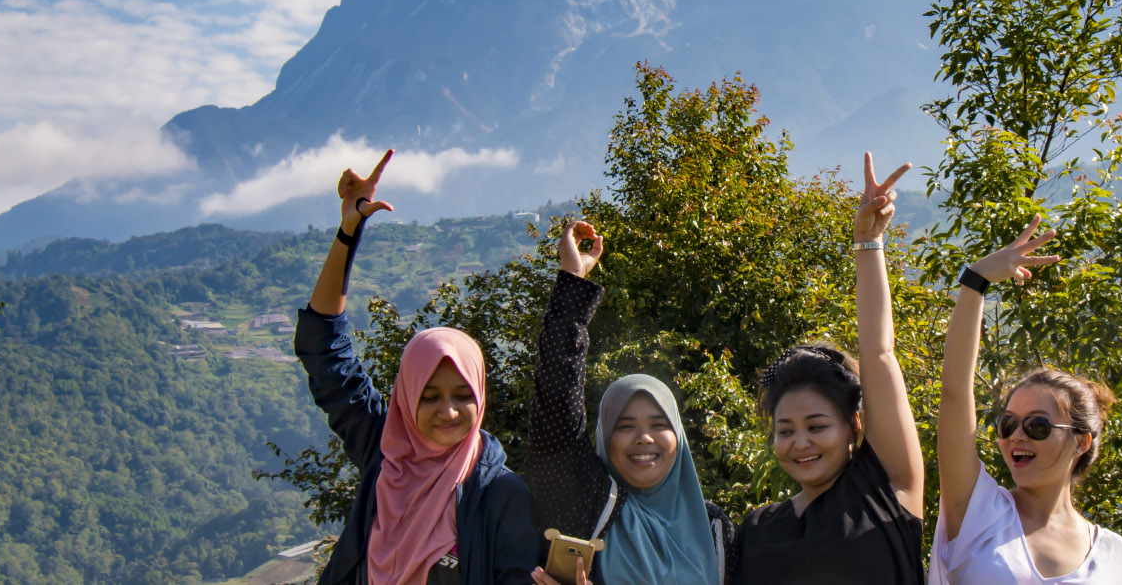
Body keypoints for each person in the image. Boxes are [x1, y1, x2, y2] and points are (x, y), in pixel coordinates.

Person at [293, 149, 541, 584]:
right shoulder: (385, 447)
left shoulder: (500, 497)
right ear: (406, 399)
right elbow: (323, 349)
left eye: (462, 395)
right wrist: (349, 231)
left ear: (480, 397)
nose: (448, 411)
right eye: (429, 396)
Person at [929, 216, 1122, 584]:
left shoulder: (1120, 560)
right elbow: (955, 393)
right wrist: (976, 280)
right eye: (1008, 423)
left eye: (1037, 426)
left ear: (1082, 442)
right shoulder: (978, 513)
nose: (1016, 435)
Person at [734, 153, 926, 585]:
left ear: (854, 424)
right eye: (785, 431)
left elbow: (878, 352)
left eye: (816, 426)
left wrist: (867, 242)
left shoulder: (888, 492)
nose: (799, 442)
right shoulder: (754, 531)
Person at [529, 221, 733, 585]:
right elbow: (556, 407)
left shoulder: (715, 528)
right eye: (625, 426)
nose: (644, 437)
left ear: (679, 438)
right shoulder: (588, 502)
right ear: (606, 438)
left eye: (659, 424)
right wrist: (572, 283)